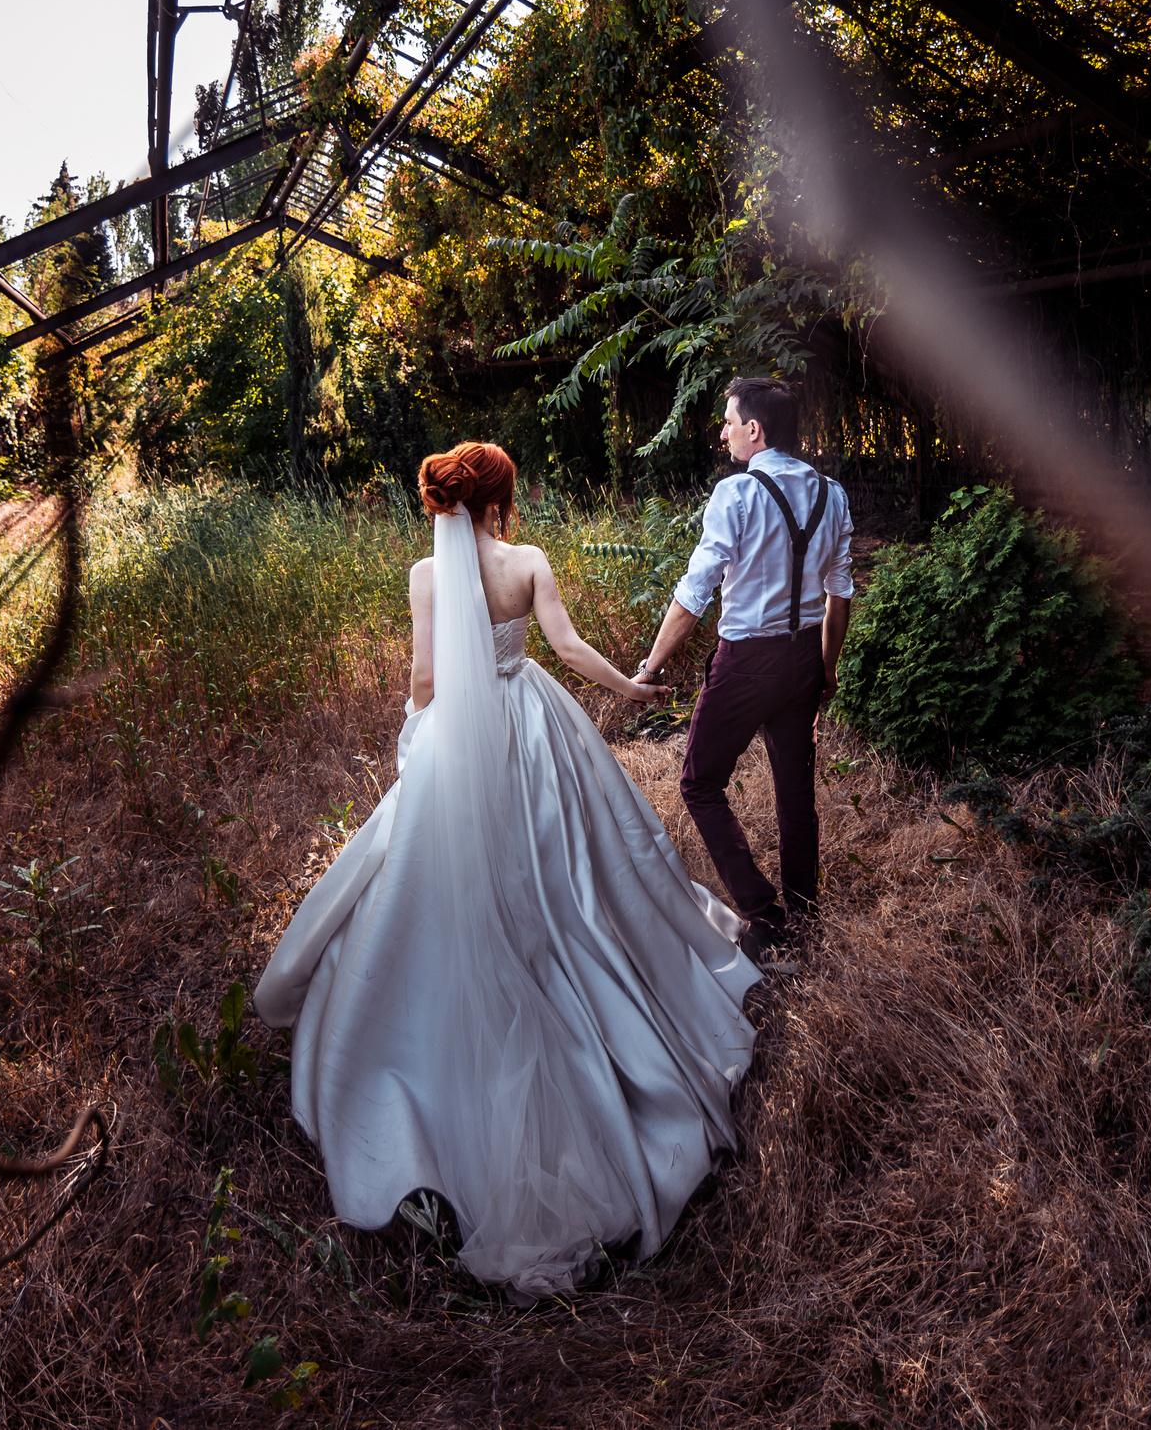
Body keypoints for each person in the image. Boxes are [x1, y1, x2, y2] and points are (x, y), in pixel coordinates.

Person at [252, 441, 761, 1302]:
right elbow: (565, 648)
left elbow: (423, 680)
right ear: (502, 499)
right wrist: (630, 691)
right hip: (533, 727)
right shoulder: (526, 562)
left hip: (462, 739)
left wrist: (420, 741)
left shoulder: (423, 575)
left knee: (417, 889)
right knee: (580, 878)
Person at [630, 379, 854, 956]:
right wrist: (825, 667)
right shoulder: (833, 493)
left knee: (700, 783)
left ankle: (765, 915)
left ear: (755, 430)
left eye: (729, 421)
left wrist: (651, 667)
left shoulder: (735, 494)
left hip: (747, 662)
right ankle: (804, 922)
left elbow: (694, 592)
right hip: (805, 654)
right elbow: (840, 593)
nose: (723, 431)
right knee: (795, 793)